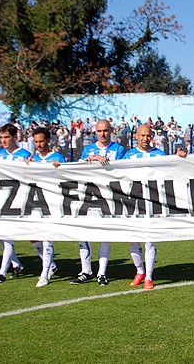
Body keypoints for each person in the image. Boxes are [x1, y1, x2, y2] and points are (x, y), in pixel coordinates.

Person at [122, 124, 187, 290]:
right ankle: (140, 271)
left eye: (148, 136)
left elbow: (172, 171)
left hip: (152, 202)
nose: (145, 139)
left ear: (152, 136)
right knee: (132, 239)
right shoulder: (128, 156)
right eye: (142, 136)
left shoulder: (160, 155)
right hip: (132, 202)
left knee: (149, 239)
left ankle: (149, 277)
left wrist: (179, 157)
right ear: (136, 136)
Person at [72, 119, 125, 286]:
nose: (103, 134)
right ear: (95, 132)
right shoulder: (88, 149)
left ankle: (102, 273)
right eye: (100, 131)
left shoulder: (119, 149)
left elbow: (122, 169)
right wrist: (87, 161)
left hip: (109, 195)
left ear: (111, 131)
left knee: (104, 234)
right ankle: (85, 271)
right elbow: (78, 167)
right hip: (89, 195)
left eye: (106, 131)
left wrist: (106, 162)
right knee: (83, 234)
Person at [0, 123, 31, 283]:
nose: (4, 140)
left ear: (15, 137)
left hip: (19, 198)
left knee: (14, 235)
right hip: (1, 200)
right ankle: (16, 264)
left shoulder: (24, 154)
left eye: (7, 137)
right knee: (1, 236)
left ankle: (2, 271)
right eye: (1, 137)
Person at [29, 127, 64, 287]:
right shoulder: (33, 159)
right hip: (35, 202)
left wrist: (60, 167)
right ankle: (52, 266)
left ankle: (44, 275)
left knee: (46, 237)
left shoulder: (57, 157)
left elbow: (67, 176)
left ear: (48, 140)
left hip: (51, 202)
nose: (39, 144)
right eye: (36, 142)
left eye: (41, 141)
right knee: (33, 238)